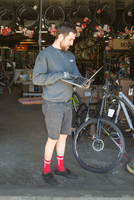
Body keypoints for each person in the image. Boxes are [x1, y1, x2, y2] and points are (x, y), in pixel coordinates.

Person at [33, 22, 81, 186]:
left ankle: (60, 167)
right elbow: (37, 79)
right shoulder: (45, 55)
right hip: (52, 104)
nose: (71, 43)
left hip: (67, 102)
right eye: (70, 39)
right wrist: (58, 75)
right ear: (60, 36)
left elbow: (76, 75)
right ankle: (46, 170)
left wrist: (83, 82)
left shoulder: (70, 56)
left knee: (63, 137)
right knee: (53, 139)